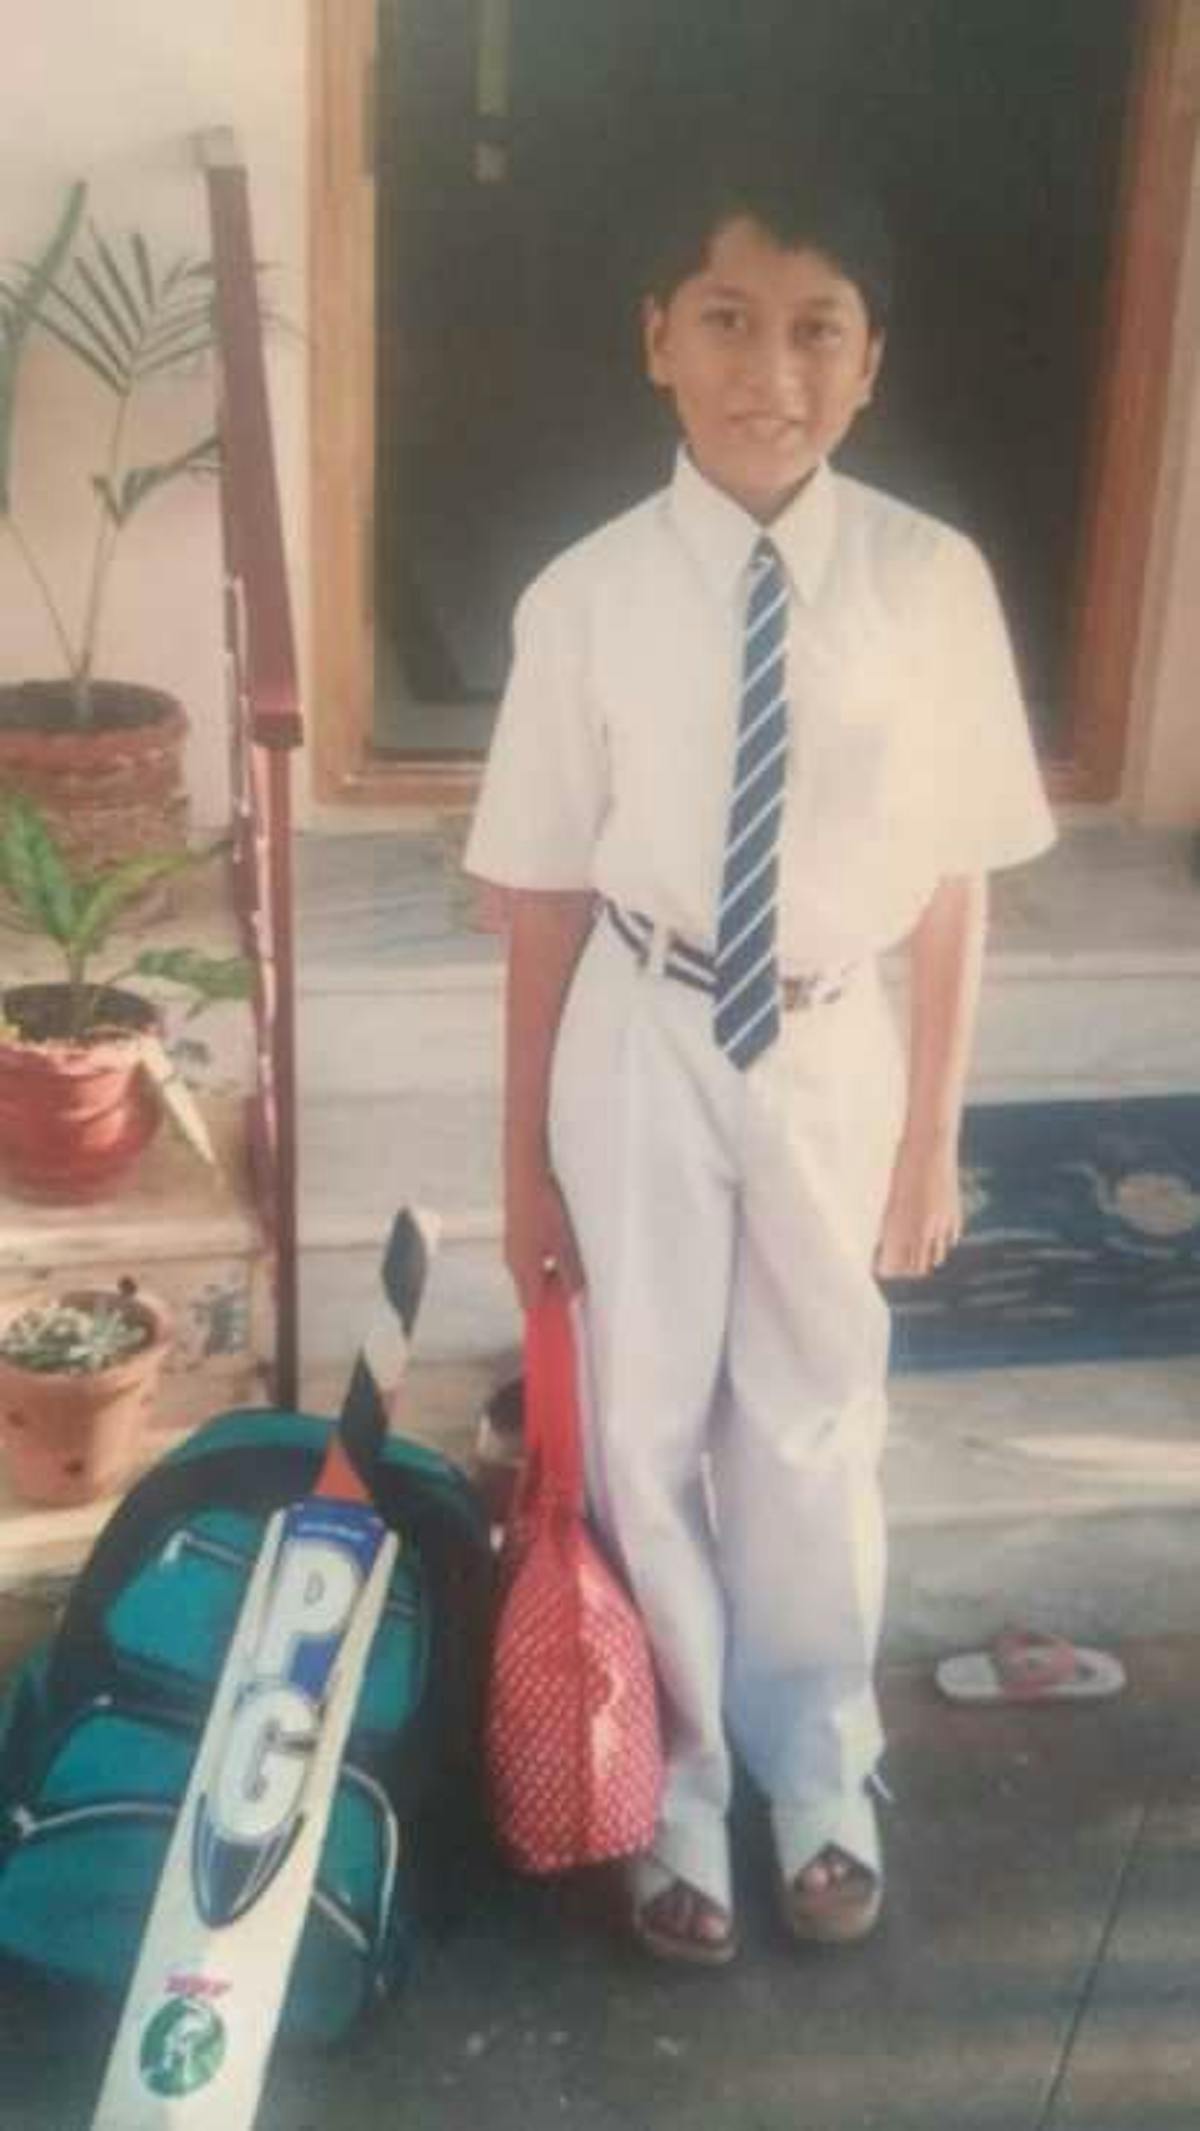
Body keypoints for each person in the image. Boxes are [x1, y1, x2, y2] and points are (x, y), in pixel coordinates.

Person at [464, 138, 1054, 1966]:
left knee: (813, 1420)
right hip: (639, 1033)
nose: (769, 372)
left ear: (871, 362)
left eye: (817, 331)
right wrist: (522, 1164)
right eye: (728, 319)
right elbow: (546, 900)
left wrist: (930, 1133)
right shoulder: (582, 601)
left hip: (827, 1040)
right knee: (644, 1425)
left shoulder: (930, 584)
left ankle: (815, 1763)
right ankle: (680, 1775)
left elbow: (953, 883)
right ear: (657, 336)